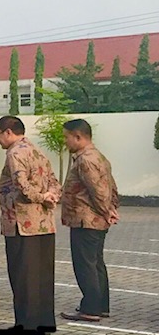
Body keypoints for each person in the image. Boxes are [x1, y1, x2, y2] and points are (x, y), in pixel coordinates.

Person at [0, 116, 61, 335]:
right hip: (44, 224)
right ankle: (44, 322)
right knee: (42, 276)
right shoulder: (37, 151)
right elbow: (55, 182)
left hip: (22, 224)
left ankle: (27, 326)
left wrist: (42, 197)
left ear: (8, 132)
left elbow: (21, 186)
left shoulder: (15, 153)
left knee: (23, 277)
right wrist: (50, 197)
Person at [60, 119, 119, 323]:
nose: (65, 142)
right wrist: (112, 209)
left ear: (78, 136)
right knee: (96, 263)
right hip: (95, 219)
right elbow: (112, 186)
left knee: (85, 265)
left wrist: (107, 210)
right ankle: (101, 306)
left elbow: (98, 191)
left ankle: (91, 308)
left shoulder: (86, 160)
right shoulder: (99, 156)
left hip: (86, 220)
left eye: (67, 137)